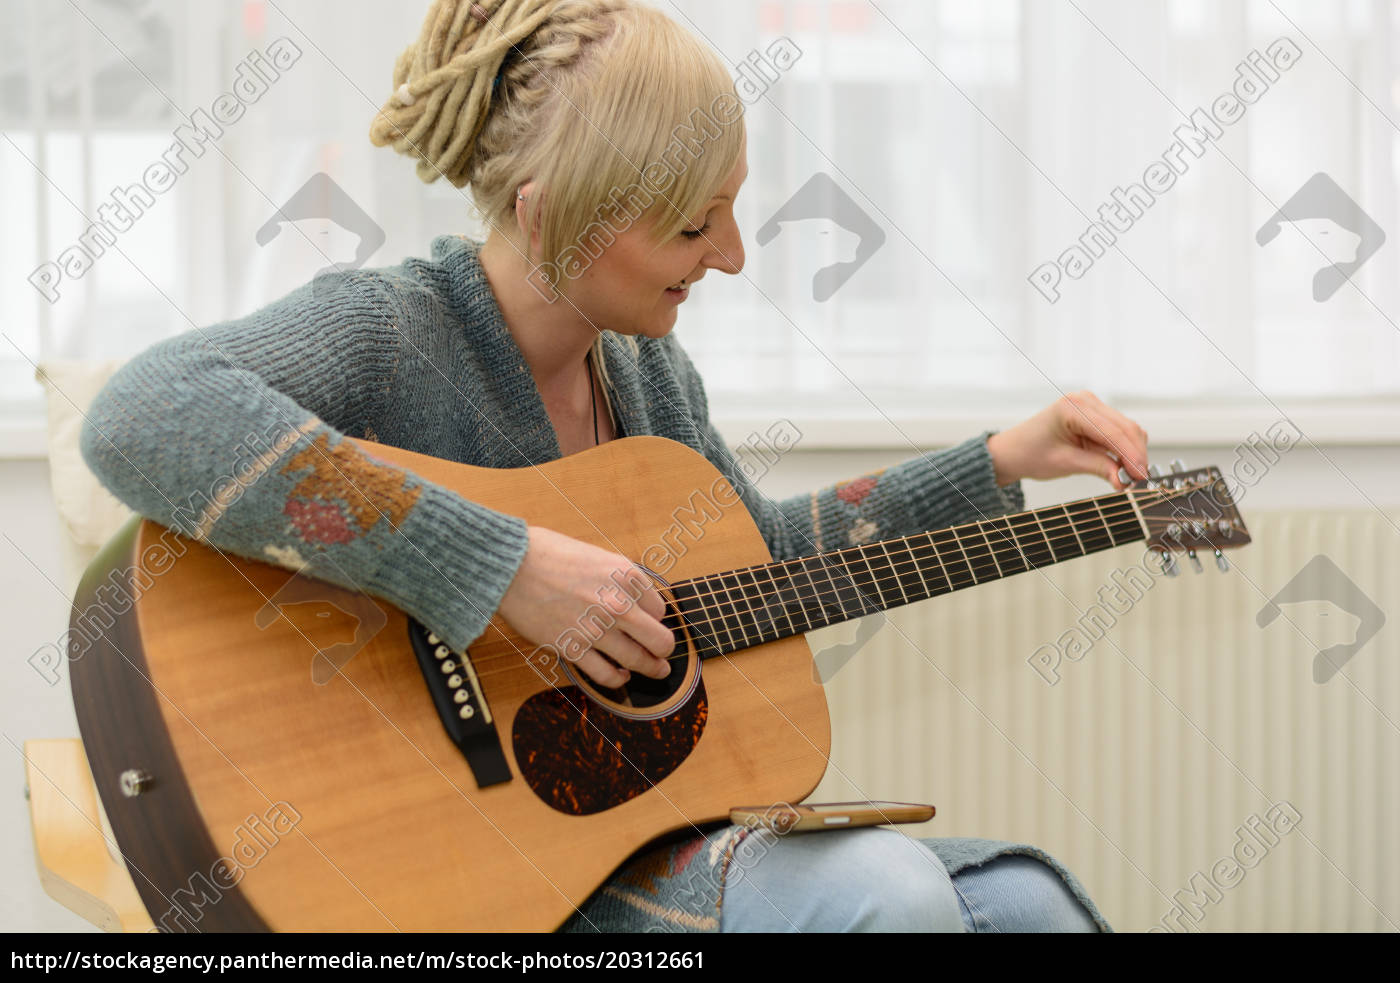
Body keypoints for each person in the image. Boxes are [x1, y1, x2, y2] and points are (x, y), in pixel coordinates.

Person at [82, 0, 1148, 932]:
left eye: (728, 206)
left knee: (1029, 904)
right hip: (476, 864)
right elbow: (142, 414)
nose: (729, 254)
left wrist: (1003, 457)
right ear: (551, 214)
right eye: (692, 222)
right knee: (891, 893)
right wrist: (499, 569)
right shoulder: (392, 330)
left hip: (639, 840)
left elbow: (756, 558)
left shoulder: (647, 375)